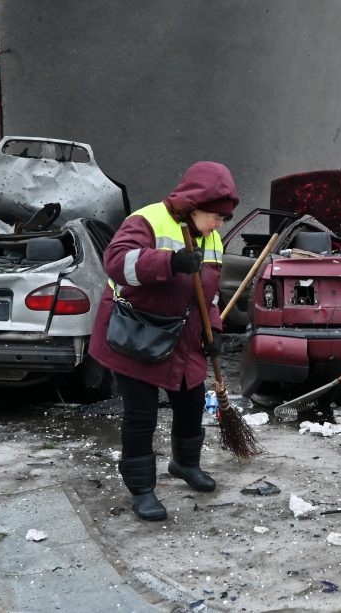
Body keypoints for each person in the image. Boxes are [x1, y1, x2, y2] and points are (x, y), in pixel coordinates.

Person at [89, 161, 238, 521]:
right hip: (138, 334)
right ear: (194, 206)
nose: (219, 225)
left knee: (191, 403)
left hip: (182, 338)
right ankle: (142, 489)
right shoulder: (147, 220)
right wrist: (170, 262)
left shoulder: (211, 238)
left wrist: (213, 330)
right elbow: (116, 263)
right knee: (142, 414)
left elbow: (209, 294)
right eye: (216, 216)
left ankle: (185, 464)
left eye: (223, 219)